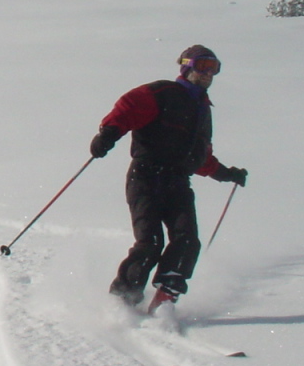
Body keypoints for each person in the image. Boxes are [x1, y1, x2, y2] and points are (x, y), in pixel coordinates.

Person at [89, 45, 248, 312]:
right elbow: (129, 107)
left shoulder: (203, 109)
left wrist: (227, 174)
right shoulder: (164, 93)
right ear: (187, 66)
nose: (209, 73)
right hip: (146, 176)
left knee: (187, 241)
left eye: (214, 68)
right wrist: (109, 133)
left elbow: (201, 157)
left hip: (178, 183)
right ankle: (122, 302)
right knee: (150, 243)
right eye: (203, 66)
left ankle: (164, 301)